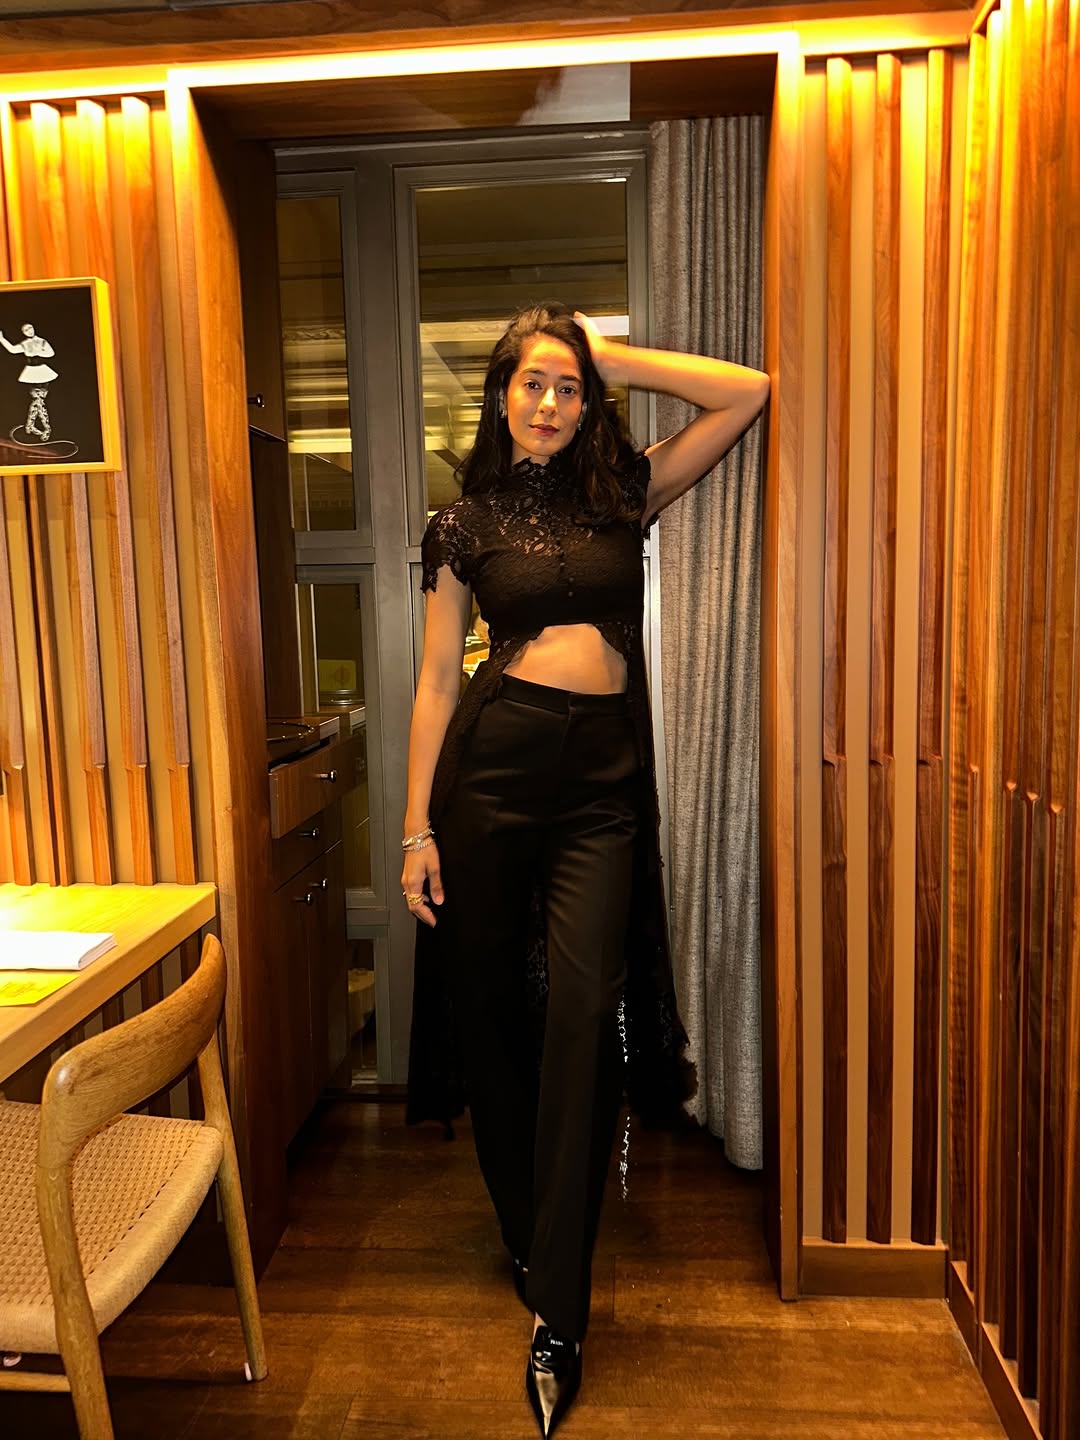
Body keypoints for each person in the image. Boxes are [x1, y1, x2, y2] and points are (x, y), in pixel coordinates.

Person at [401, 302, 769, 1436]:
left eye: (568, 386)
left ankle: (557, 1309)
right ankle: (529, 1230)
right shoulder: (460, 525)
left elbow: (747, 393)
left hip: (602, 786)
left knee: (583, 1008)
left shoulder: (626, 492)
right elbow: (435, 681)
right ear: (501, 395)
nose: (551, 402)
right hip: (492, 774)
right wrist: (415, 828)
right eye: (534, 382)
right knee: (490, 1012)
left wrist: (604, 351)